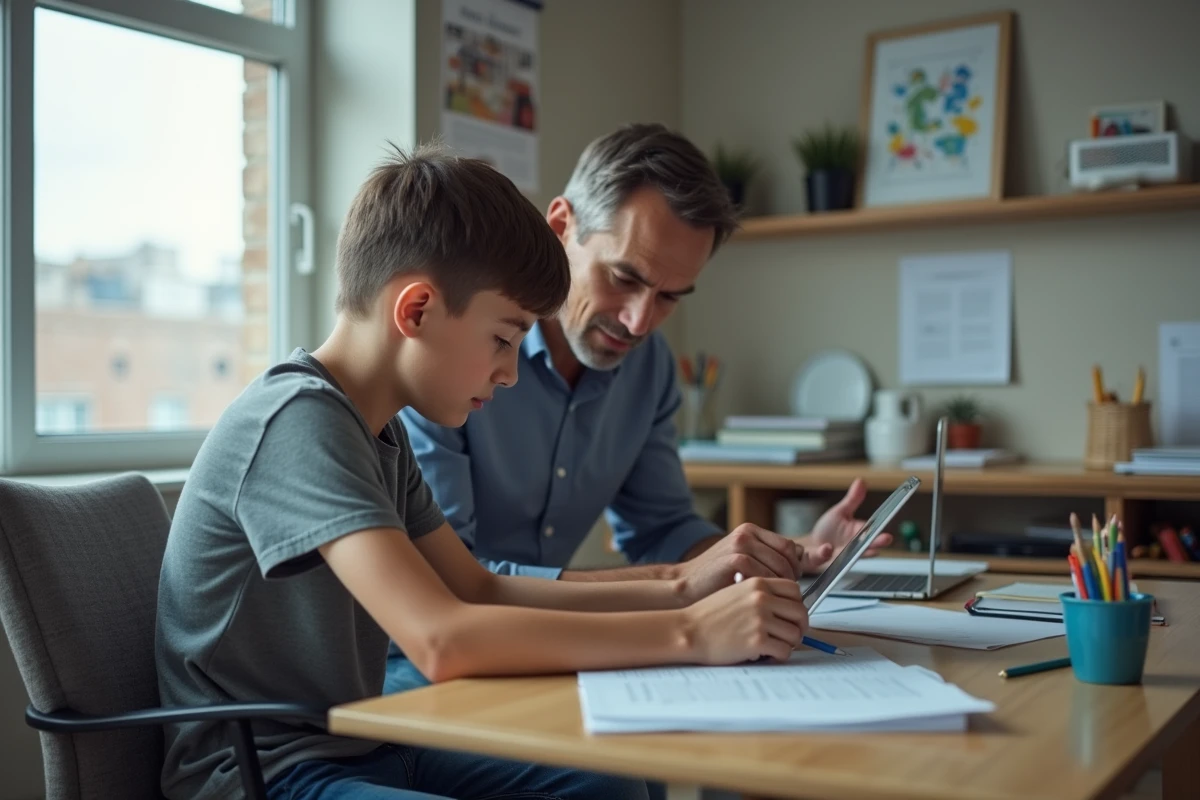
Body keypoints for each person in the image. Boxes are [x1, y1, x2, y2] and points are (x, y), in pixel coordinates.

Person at [154, 142, 812, 800]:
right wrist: (692, 633)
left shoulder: (379, 432)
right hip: (267, 772)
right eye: (502, 339)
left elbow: (478, 588)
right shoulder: (297, 420)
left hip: (364, 743)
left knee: (611, 787)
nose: (511, 371)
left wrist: (682, 586)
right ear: (415, 310)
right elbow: (439, 640)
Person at [390, 123, 889, 695]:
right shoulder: (451, 359)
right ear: (560, 227)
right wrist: (679, 587)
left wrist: (773, 556)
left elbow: (663, 528)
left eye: (670, 296)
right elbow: (455, 581)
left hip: (552, 661)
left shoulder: (647, 367)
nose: (639, 321)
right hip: (429, 669)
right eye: (624, 277)